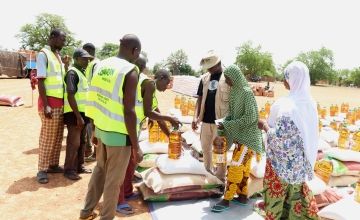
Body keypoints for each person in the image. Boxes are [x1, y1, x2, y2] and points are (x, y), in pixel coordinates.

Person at [79, 34, 143, 220]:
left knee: (99, 171)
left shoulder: (100, 65)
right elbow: (129, 111)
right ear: (135, 50)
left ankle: (86, 212)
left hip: (102, 129)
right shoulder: (130, 70)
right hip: (120, 134)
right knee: (113, 182)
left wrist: (95, 129)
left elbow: (94, 98)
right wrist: (136, 146)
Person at [116, 55, 180, 215]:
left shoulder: (146, 84)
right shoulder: (149, 83)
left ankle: (128, 191)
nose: (167, 87)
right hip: (125, 126)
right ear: (162, 78)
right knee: (122, 165)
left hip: (132, 126)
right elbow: (148, 112)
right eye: (167, 82)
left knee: (131, 162)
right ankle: (119, 200)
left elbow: (157, 115)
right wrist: (170, 118)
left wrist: (173, 136)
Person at [258, 61, 319, 219]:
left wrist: (264, 125)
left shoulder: (287, 106)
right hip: (299, 165)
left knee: (275, 202)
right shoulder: (310, 103)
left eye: (286, 77)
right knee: (293, 202)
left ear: (292, 80)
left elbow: (281, 141)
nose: (284, 81)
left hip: (280, 166)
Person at [211, 65, 263, 212]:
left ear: (235, 77)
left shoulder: (246, 93)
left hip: (249, 138)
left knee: (235, 167)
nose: (227, 82)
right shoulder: (234, 92)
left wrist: (228, 124)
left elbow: (251, 118)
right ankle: (242, 196)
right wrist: (224, 121)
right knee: (244, 169)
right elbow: (233, 115)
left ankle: (226, 200)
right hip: (240, 137)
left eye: (228, 79)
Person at [192, 50, 230, 181]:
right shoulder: (204, 78)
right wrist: (195, 117)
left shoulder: (228, 78)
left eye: (211, 67)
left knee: (219, 151)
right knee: (205, 148)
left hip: (221, 124)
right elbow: (199, 98)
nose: (209, 69)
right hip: (206, 122)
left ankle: (220, 178)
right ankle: (207, 173)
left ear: (218, 63)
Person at [36, 29, 67, 184]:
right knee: (48, 137)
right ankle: (41, 169)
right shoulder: (43, 55)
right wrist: (46, 105)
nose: (64, 42)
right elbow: (41, 80)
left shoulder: (58, 56)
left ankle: (53, 164)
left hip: (60, 103)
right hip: (49, 103)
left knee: (57, 137)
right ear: (52, 38)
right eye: (62, 39)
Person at [63, 48, 93, 180]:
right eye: (84, 58)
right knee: (73, 142)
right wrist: (78, 116)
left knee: (82, 141)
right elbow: (70, 95)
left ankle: (79, 166)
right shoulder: (72, 73)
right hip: (74, 114)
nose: (87, 60)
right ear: (76, 59)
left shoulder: (82, 73)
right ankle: (69, 169)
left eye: (88, 58)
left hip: (82, 113)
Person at [82, 43, 100, 162]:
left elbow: (95, 84)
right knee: (90, 128)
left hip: (94, 101)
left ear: (89, 51)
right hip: (89, 101)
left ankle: (96, 154)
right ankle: (92, 152)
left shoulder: (96, 65)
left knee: (95, 128)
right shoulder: (90, 64)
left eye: (84, 52)